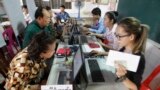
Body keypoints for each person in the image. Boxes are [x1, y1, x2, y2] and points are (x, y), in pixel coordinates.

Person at [114, 17, 149, 90]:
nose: (117, 39)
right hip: (117, 83)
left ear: (131, 37)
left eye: (119, 36)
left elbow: (135, 87)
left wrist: (122, 77)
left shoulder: (139, 59)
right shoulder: (123, 49)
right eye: (116, 35)